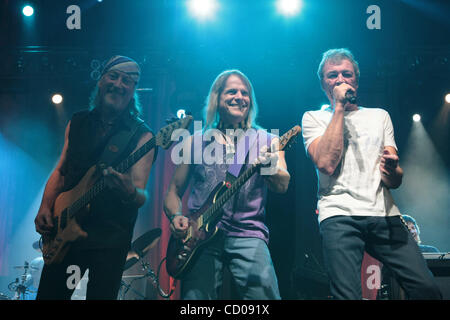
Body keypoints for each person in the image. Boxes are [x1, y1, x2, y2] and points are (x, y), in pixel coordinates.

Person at [301, 48, 442, 300]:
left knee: (427, 289)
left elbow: (395, 180)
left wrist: (391, 168)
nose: (341, 79)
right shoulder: (313, 118)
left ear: (356, 80)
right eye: (332, 75)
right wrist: (339, 108)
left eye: (347, 74)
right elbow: (325, 163)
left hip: (384, 214)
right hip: (339, 214)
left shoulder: (379, 116)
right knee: (348, 296)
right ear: (323, 84)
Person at [34, 55, 156, 300]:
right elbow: (61, 170)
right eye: (113, 76)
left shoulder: (142, 135)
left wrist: (128, 190)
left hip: (109, 241)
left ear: (133, 91)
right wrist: (45, 206)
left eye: (127, 81)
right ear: (101, 81)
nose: (119, 84)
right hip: (65, 233)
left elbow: (140, 194)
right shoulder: (78, 122)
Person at [163, 69, 290, 299]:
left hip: (249, 233)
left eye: (245, 93)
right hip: (199, 237)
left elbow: (282, 185)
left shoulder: (267, 140)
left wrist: (269, 167)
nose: (239, 97)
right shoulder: (195, 141)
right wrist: (175, 217)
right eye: (232, 91)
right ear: (217, 98)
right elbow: (173, 192)